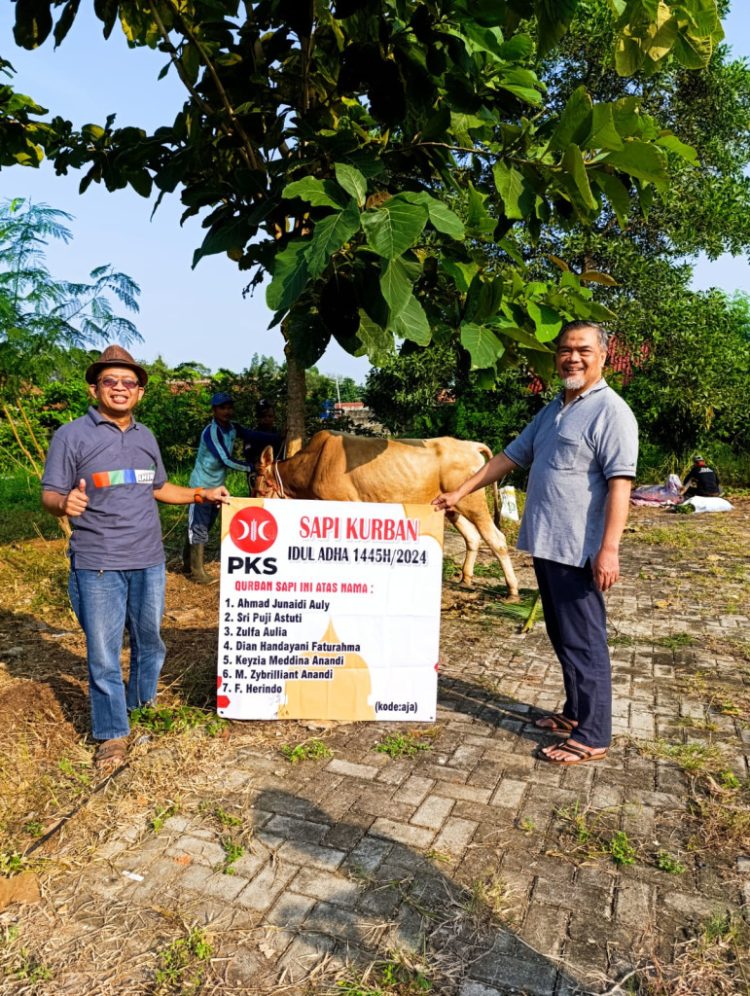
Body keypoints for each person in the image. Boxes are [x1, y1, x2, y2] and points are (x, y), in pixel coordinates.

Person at [433, 321, 638, 766]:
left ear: (603, 355)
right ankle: (574, 713)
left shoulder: (611, 412)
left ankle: (594, 733)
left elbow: (621, 483)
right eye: (565, 350)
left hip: (579, 549)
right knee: (563, 635)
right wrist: (460, 492)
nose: (572, 357)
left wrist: (610, 549)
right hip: (547, 544)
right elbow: (510, 456)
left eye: (583, 349)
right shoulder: (554, 409)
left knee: (585, 640)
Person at [41, 345, 230, 771]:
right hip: (99, 563)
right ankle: (112, 734)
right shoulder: (71, 436)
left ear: (140, 393)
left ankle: (141, 708)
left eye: (130, 382)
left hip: (149, 560)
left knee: (150, 643)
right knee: (104, 653)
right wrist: (62, 504)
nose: (121, 388)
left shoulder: (145, 437)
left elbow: (159, 488)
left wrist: (202, 493)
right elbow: (50, 494)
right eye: (111, 381)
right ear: (95, 388)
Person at [185, 393, 283, 583]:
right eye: (222, 408)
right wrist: (251, 467)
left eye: (229, 407)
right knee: (198, 524)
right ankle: (196, 572)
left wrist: (278, 438)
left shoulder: (232, 428)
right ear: (214, 411)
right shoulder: (211, 432)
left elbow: (252, 434)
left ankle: (188, 563)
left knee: (206, 523)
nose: (227, 411)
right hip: (201, 484)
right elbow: (225, 459)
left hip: (217, 485)